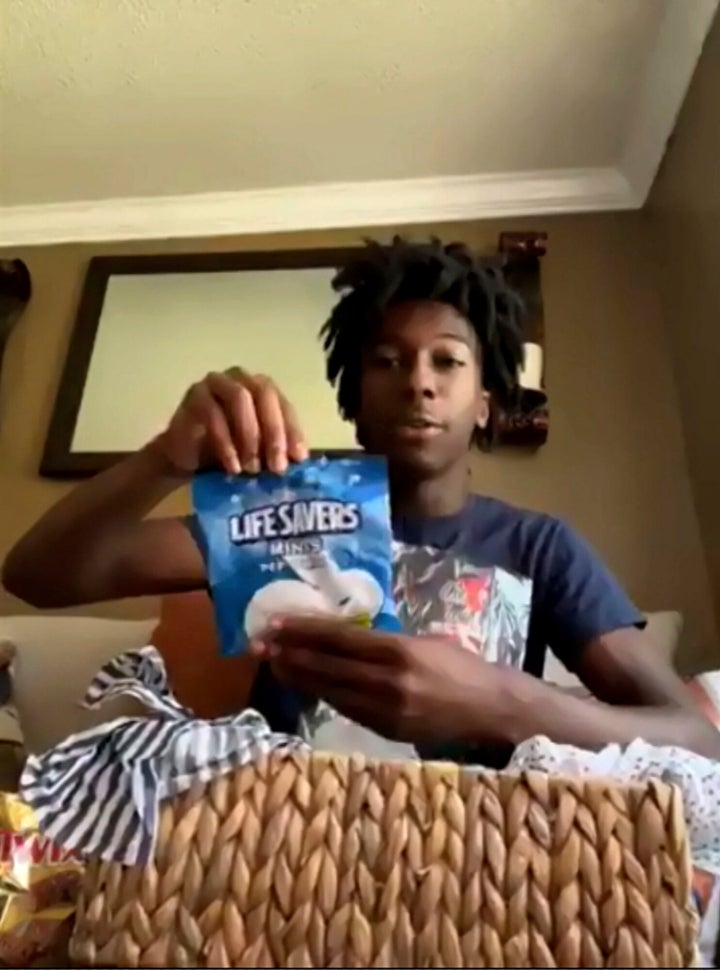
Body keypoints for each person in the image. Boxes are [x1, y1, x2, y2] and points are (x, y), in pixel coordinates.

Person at [3, 237, 718, 765]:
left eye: (448, 360)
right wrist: (165, 456)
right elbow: (37, 576)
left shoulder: (541, 548)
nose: (418, 382)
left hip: (481, 871)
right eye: (387, 361)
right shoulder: (283, 516)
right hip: (287, 851)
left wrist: (502, 699)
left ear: (484, 407)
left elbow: (696, 741)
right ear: (354, 404)